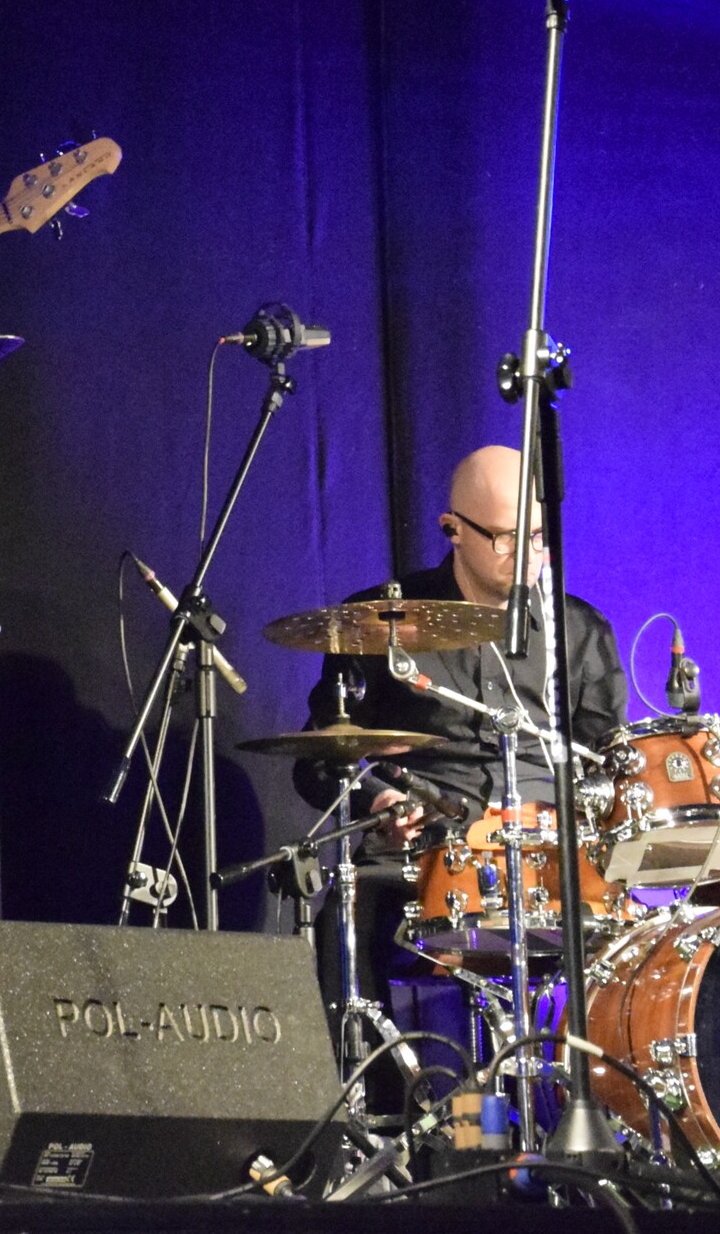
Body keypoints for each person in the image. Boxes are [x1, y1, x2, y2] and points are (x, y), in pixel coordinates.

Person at [288, 444, 628, 1066]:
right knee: (347, 914)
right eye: (506, 538)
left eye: (538, 537)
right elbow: (318, 760)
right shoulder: (380, 623)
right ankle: (371, 1104)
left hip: (554, 861)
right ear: (454, 530)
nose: (528, 555)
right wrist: (379, 801)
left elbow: (609, 763)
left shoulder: (580, 631)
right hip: (425, 855)